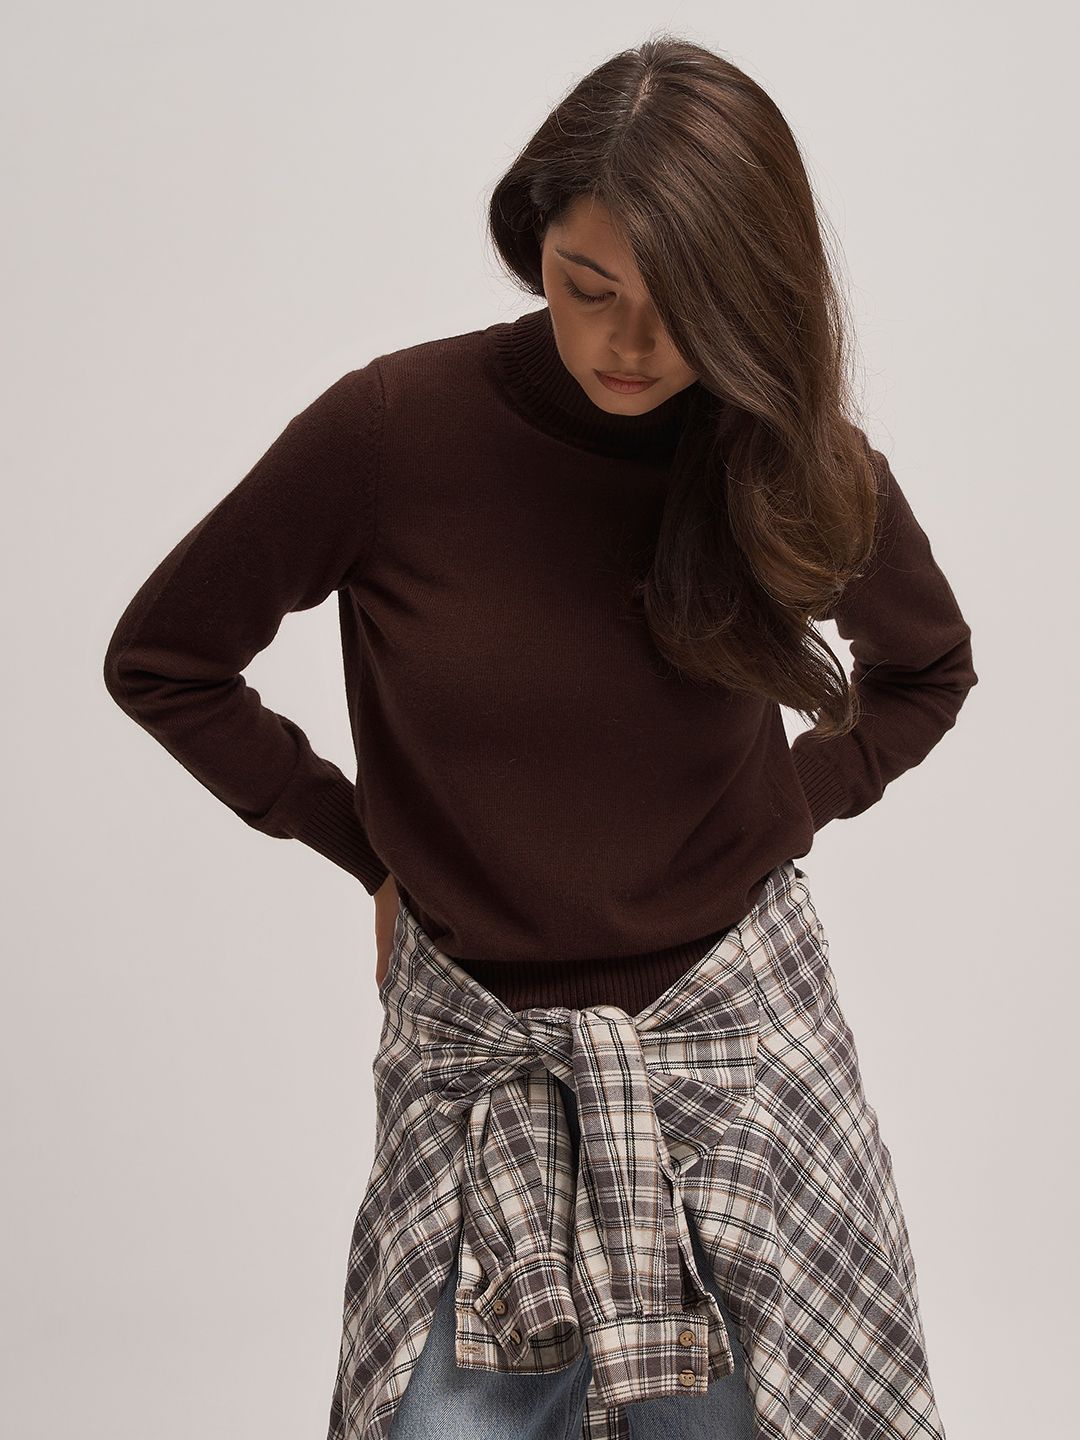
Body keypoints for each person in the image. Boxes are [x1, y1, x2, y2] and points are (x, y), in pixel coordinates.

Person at [102, 34, 977, 1440]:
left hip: (742, 1060)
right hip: (474, 1067)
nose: (629, 346)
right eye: (589, 287)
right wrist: (369, 849)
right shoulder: (390, 432)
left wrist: (785, 803)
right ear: (536, 247)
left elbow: (926, 669)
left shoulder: (781, 452)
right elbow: (165, 659)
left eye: (683, 307)